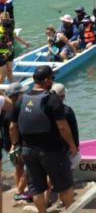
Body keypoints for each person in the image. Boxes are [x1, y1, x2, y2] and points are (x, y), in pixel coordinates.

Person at [10, 65, 77, 213]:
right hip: (51, 151)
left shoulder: (21, 100)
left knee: (37, 189)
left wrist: (16, 145)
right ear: (46, 80)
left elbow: (12, 127)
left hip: (28, 151)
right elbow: (63, 127)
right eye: (52, 78)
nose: (53, 81)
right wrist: (72, 145)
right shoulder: (52, 99)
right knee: (65, 186)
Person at [2, 83, 28, 202]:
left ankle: (18, 187)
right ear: (15, 95)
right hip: (15, 142)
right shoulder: (15, 109)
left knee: (18, 166)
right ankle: (19, 191)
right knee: (26, 166)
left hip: (7, 142)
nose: (24, 95)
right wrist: (16, 144)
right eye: (21, 93)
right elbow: (14, 128)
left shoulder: (4, 109)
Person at [0, 13, 29, 84]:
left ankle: (12, 84)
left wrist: (24, 42)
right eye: (1, 18)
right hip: (1, 53)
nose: (3, 20)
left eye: (6, 18)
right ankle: (1, 88)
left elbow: (16, 37)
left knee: (9, 70)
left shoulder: (10, 29)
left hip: (9, 51)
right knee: (3, 73)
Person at [51, 83, 79, 150]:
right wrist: (76, 145)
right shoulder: (67, 110)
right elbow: (73, 129)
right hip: (65, 147)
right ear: (63, 96)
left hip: (50, 146)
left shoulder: (46, 108)